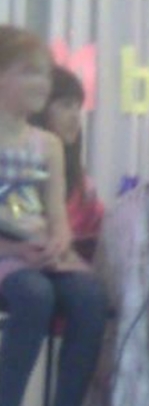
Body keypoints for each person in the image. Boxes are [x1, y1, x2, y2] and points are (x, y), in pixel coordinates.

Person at [0, 25, 108, 406]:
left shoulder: (47, 144)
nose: (42, 84)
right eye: (29, 73)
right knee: (33, 294)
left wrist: (58, 243)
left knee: (89, 297)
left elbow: (56, 215)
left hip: (39, 251)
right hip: (5, 255)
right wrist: (13, 250)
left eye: (45, 74)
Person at [29, 66, 104, 262]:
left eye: (78, 107)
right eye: (66, 105)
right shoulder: (18, 165)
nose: (75, 116)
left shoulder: (82, 183)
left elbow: (100, 226)